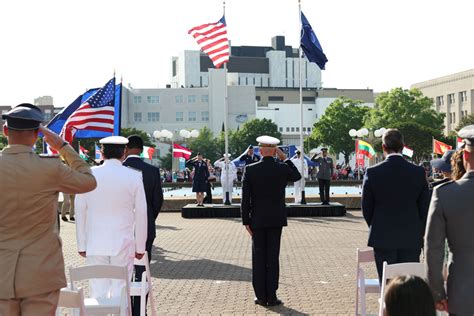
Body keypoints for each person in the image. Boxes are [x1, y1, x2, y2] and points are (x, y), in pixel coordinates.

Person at [0, 104, 97, 315]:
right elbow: (89, 181)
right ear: (38, 134)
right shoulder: (49, 168)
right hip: (41, 272)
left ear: (5, 131)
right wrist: (62, 146)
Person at [75, 136, 147, 303]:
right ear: (124, 153)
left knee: (97, 293)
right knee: (121, 292)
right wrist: (140, 245)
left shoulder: (89, 175)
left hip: (95, 242)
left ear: (102, 153)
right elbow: (141, 212)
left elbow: (80, 209)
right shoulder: (134, 176)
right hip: (123, 242)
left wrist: (82, 243)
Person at [362, 129, 430, 282]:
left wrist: (377, 225)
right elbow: (424, 208)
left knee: (387, 283)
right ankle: (409, 307)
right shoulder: (418, 172)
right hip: (411, 237)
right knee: (410, 285)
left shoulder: (372, 172)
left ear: (383, 147)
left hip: (382, 237)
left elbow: (367, 208)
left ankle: (387, 306)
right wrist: (419, 230)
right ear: (403, 146)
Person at [241, 135, 301, 307]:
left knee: (258, 258)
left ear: (260, 151)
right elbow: (296, 176)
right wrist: (285, 158)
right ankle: (272, 296)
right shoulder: (281, 168)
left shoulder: (251, 169)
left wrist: (246, 221)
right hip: (276, 219)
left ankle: (261, 296)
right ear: (275, 151)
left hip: (257, 220)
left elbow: (246, 199)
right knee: (272, 258)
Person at [425, 125, 474, 316]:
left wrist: (437, 293)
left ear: (465, 156)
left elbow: (433, 248)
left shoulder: (445, 194)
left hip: (463, 296)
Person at [123, 135, 163, 316]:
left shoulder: (120, 170)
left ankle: (124, 309)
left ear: (125, 149)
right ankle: (140, 310)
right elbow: (157, 202)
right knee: (142, 270)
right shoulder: (152, 171)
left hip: (121, 227)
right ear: (141, 149)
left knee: (121, 270)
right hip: (145, 227)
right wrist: (147, 219)